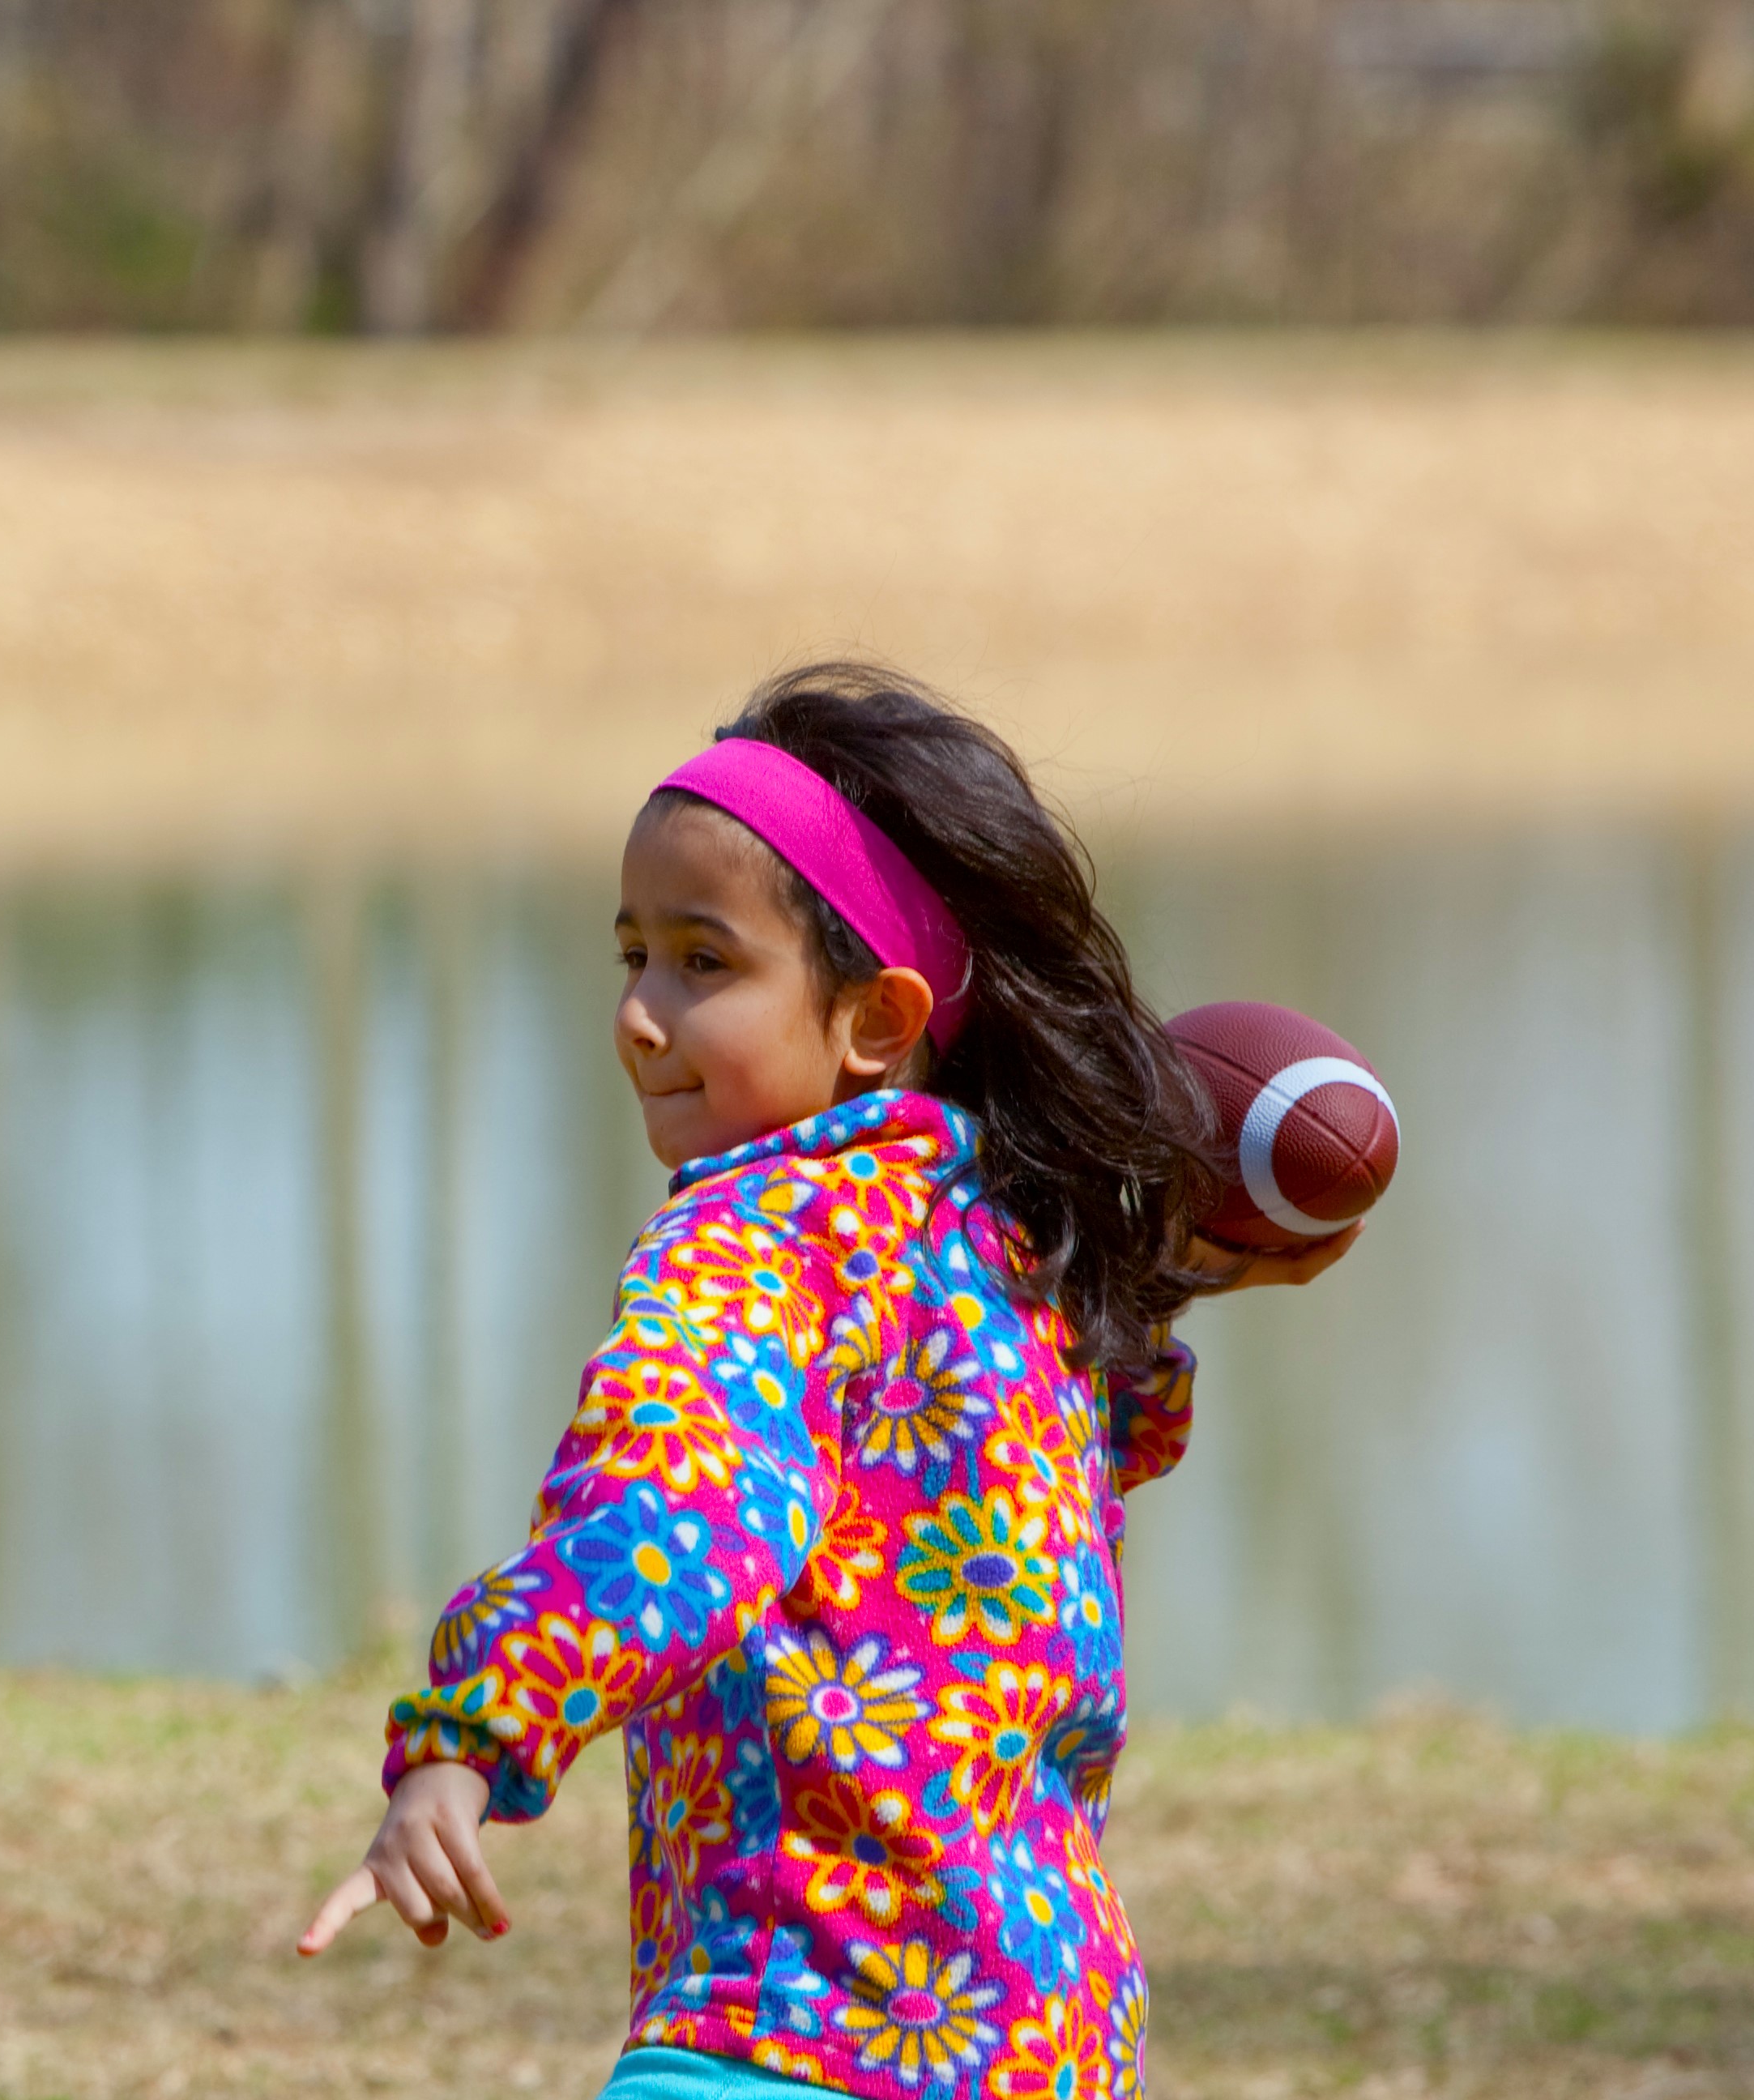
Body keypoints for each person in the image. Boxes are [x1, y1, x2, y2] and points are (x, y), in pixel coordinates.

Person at [295, 664, 1356, 2098]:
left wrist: (474, 1731)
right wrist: (1201, 1264)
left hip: (798, 2015)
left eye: (703, 963)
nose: (638, 1014)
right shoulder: (1007, 1241)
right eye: (632, 955)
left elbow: (683, 1510)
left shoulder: (755, 1232)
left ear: (872, 1019)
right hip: (1044, 2038)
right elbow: (1090, 1448)